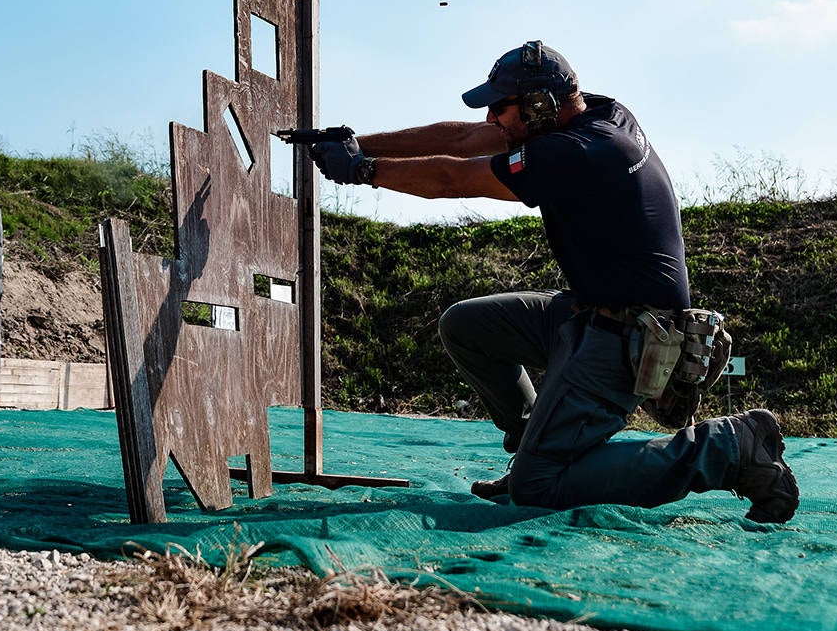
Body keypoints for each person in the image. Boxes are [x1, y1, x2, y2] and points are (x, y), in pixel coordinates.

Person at [309, 41, 799, 522]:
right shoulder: (602, 113)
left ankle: (728, 447)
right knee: (466, 326)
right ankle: (533, 447)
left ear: (539, 105)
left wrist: (363, 170)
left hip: (628, 339)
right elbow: (463, 141)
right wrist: (360, 143)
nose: (490, 120)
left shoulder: (578, 152)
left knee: (538, 489)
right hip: (591, 312)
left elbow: (450, 180)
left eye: (500, 108)